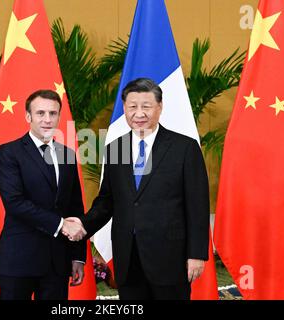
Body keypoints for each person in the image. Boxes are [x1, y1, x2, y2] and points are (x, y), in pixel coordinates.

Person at [64, 78, 210, 300]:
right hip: (128, 257)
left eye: (146, 106)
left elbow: (198, 205)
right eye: (132, 107)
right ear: (124, 108)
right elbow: (107, 201)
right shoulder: (116, 147)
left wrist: (197, 254)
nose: (139, 113)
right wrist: (84, 225)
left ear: (159, 107)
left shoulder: (184, 147)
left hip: (170, 258)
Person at [0, 89, 87, 300]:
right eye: (40, 113)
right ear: (28, 116)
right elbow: (15, 203)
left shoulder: (67, 155)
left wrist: (78, 256)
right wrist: (62, 225)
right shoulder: (8, 152)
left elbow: (75, 208)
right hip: (19, 259)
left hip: (57, 263)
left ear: (59, 117)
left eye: (53, 113)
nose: (47, 119)